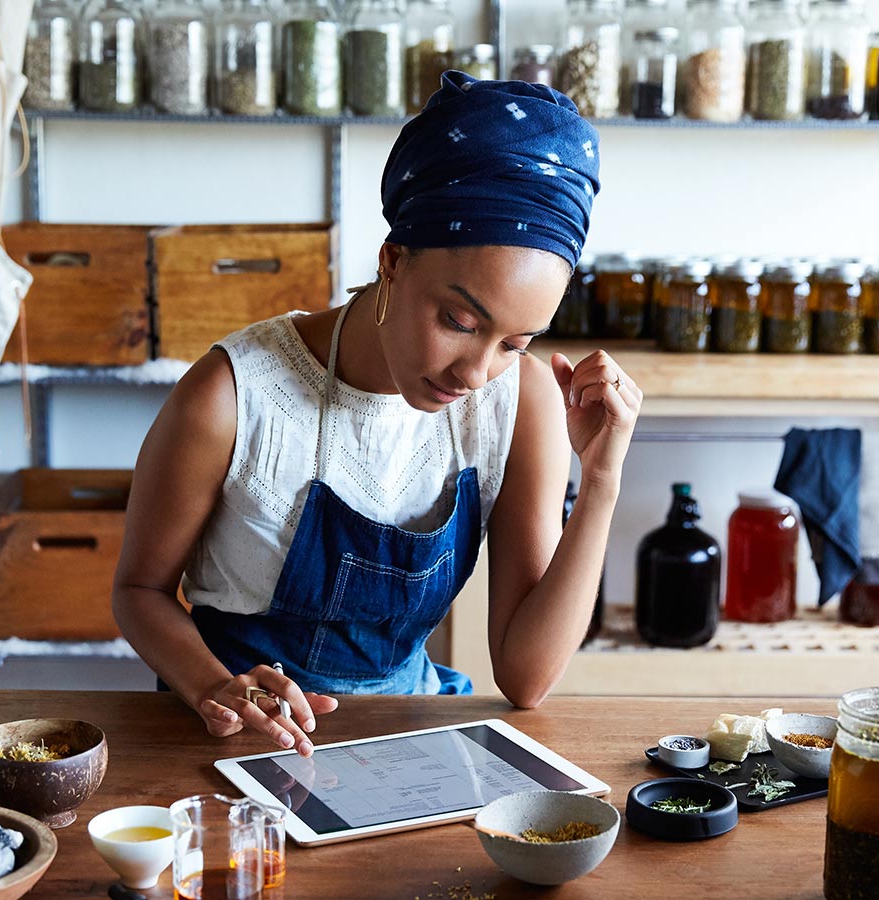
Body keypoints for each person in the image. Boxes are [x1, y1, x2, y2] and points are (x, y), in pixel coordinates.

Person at [112, 72, 639, 757]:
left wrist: (600, 482)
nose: (475, 373)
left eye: (515, 343)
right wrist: (215, 687)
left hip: (403, 743)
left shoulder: (522, 401)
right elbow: (139, 592)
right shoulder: (234, 394)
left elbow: (527, 677)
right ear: (392, 261)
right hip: (231, 740)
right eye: (458, 320)